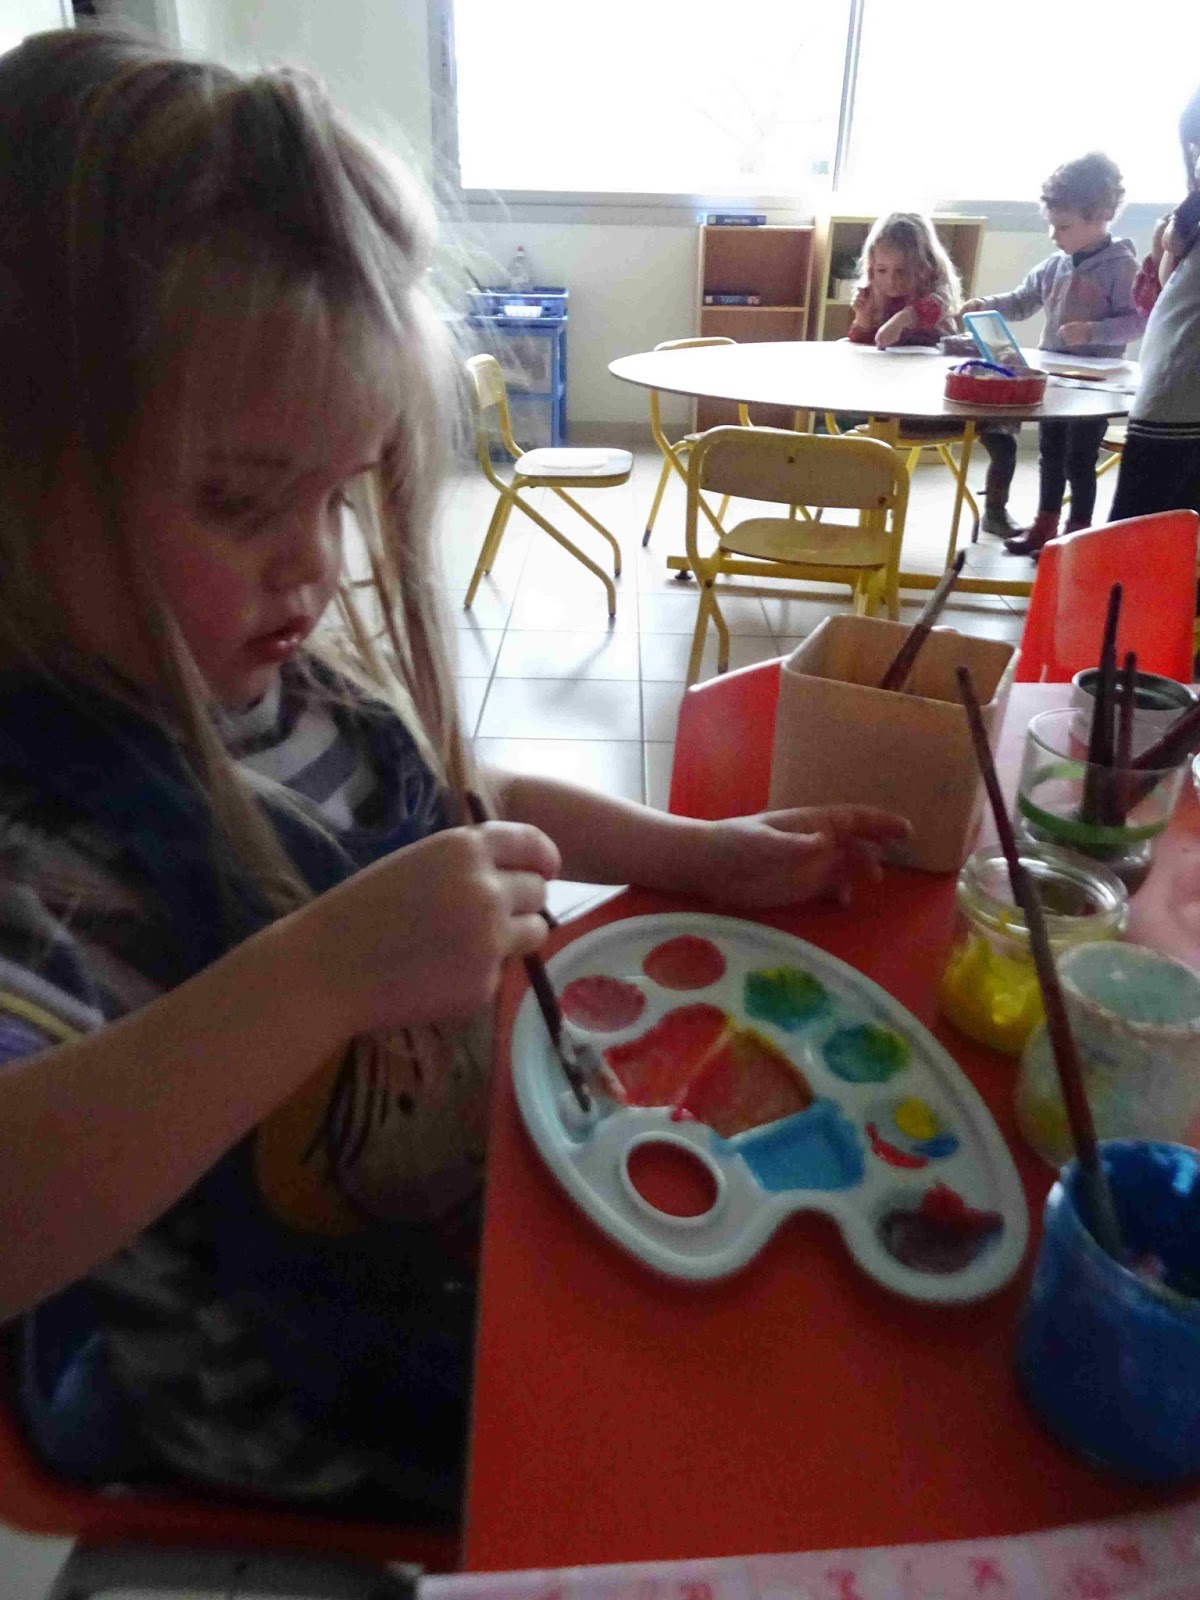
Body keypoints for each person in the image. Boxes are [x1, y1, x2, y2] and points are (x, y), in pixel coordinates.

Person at [0, 29, 908, 1517]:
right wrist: (319, 976)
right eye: (240, 500)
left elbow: (459, 804)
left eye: (341, 491)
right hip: (320, 1416)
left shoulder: (269, 674)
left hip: (471, 1234)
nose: (315, 564)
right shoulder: (42, 846)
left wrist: (700, 851)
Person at [961, 153, 1142, 554]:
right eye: (1052, 224)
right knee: (1051, 454)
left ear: (1100, 217)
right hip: (1054, 380)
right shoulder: (1054, 265)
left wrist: (1093, 332)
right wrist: (985, 305)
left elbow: (1137, 321)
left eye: (1064, 226)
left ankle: (1077, 535)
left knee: (1080, 460)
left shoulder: (1122, 267)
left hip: (1096, 386)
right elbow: (1023, 300)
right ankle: (1045, 526)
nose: (1053, 235)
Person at [1110, 86, 1200, 523]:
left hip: (1179, 403)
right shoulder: (1188, 216)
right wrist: (1168, 247)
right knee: (1145, 534)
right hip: (1169, 397)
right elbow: (1164, 297)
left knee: (1151, 535)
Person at [847, 212, 960, 349]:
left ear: (924, 267)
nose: (891, 280)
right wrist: (863, 318)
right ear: (871, 266)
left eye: (901, 271)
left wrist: (902, 319)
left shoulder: (936, 287)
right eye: (881, 270)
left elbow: (935, 306)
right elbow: (864, 344)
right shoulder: (873, 292)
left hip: (932, 357)